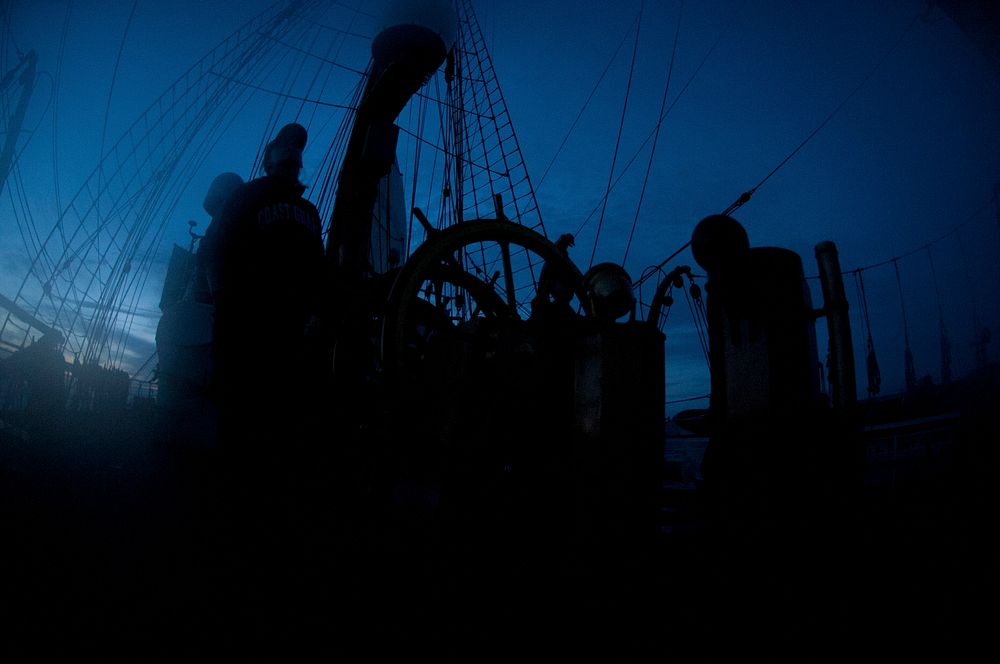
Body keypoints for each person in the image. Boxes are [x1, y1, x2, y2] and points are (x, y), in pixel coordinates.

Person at [196, 122, 326, 462]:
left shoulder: (310, 212)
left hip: (293, 340)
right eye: (283, 146)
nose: (292, 152)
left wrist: (317, 314)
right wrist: (224, 310)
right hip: (246, 334)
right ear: (268, 160)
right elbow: (212, 249)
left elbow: (318, 271)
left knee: (278, 433)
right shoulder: (247, 195)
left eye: (296, 148)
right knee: (239, 431)